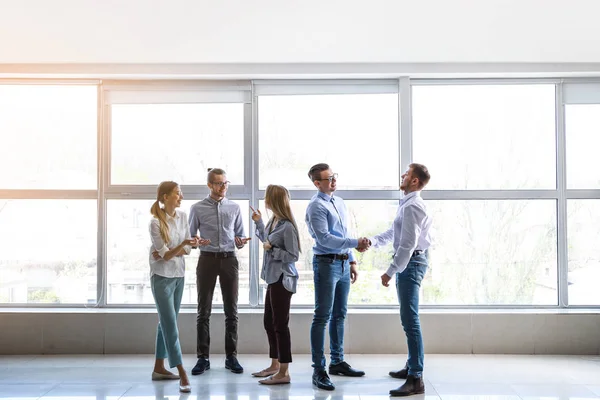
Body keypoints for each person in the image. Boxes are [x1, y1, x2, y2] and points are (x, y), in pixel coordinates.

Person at [305, 163, 370, 391]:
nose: (333, 181)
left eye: (334, 177)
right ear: (317, 183)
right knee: (322, 316)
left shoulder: (339, 202)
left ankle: (337, 361)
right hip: (326, 264)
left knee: (340, 314)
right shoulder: (316, 206)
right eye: (328, 178)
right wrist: (355, 244)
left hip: (342, 264)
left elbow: (344, 234)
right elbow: (324, 239)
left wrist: (352, 259)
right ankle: (318, 369)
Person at [370, 163, 432, 397]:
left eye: (406, 174)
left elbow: (407, 245)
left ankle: (416, 378)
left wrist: (390, 271)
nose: (403, 176)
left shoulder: (413, 206)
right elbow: (395, 233)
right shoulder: (407, 204)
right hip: (412, 261)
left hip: (410, 263)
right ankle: (411, 366)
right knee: (409, 319)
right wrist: (373, 242)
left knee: (410, 320)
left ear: (415, 181)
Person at [188, 168, 250, 375]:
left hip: (229, 260)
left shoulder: (234, 207)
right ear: (209, 185)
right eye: (218, 183)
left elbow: (240, 236)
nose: (223, 187)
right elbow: (190, 239)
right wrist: (196, 242)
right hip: (206, 259)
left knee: (231, 311)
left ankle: (231, 357)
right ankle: (202, 358)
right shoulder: (197, 208)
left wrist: (240, 242)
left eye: (225, 183)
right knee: (203, 311)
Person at [149, 181, 201, 393]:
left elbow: (183, 251)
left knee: (166, 323)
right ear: (165, 197)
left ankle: (159, 368)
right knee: (170, 325)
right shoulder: (154, 223)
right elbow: (166, 254)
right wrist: (177, 248)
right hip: (161, 277)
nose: (181, 197)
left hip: (179, 275)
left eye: (181, 194)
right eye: (177, 194)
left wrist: (179, 248)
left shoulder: (183, 216)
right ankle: (182, 373)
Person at [249, 184, 301, 385]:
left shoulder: (287, 226)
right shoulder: (274, 221)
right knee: (269, 323)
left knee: (280, 325)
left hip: (282, 279)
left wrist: (273, 250)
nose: (264, 199)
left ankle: (284, 372)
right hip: (272, 278)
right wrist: (259, 222)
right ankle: (275, 365)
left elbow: (293, 255)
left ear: (273, 199)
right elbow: (266, 240)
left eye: (266, 196)